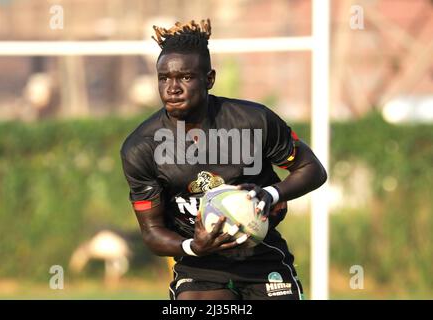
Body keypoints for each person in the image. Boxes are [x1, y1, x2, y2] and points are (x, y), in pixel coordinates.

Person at [120, 19, 327, 300]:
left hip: (260, 255)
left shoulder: (253, 121)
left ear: (209, 79)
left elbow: (312, 169)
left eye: (185, 77)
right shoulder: (141, 147)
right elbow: (152, 233)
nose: (172, 88)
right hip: (199, 264)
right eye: (164, 78)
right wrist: (194, 246)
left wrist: (270, 193)